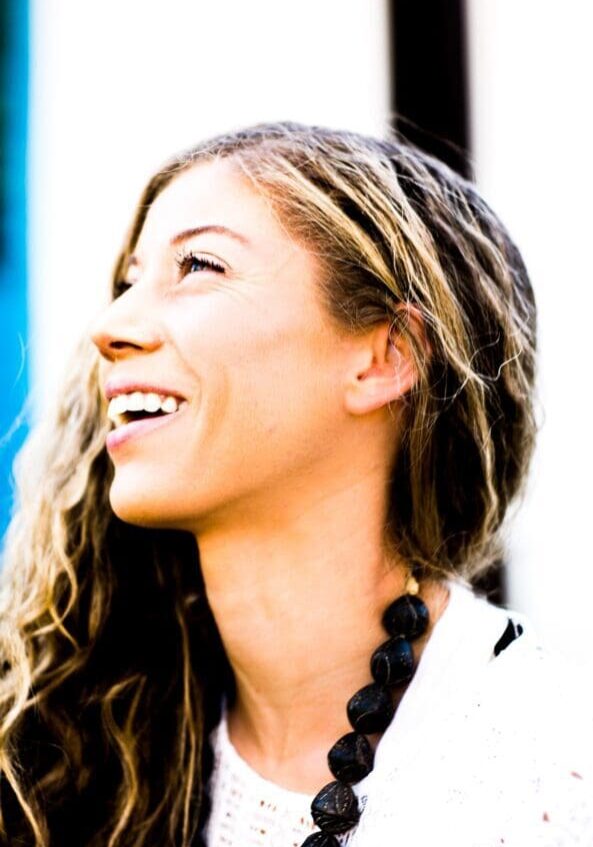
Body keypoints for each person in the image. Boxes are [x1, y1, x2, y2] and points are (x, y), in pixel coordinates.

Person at [0, 121, 591, 847]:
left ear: (384, 356)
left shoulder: (550, 780)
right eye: (128, 281)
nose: (112, 325)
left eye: (198, 266)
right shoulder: (54, 752)